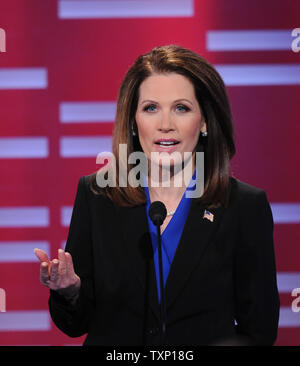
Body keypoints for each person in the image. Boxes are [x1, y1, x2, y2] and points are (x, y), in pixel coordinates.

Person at [34, 45, 280, 346]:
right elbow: (76, 325)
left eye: (181, 108)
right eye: (151, 108)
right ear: (134, 122)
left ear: (203, 121)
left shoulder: (244, 205)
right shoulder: (97, 194)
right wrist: (69, 291)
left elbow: (259, 332)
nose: (166, 124)